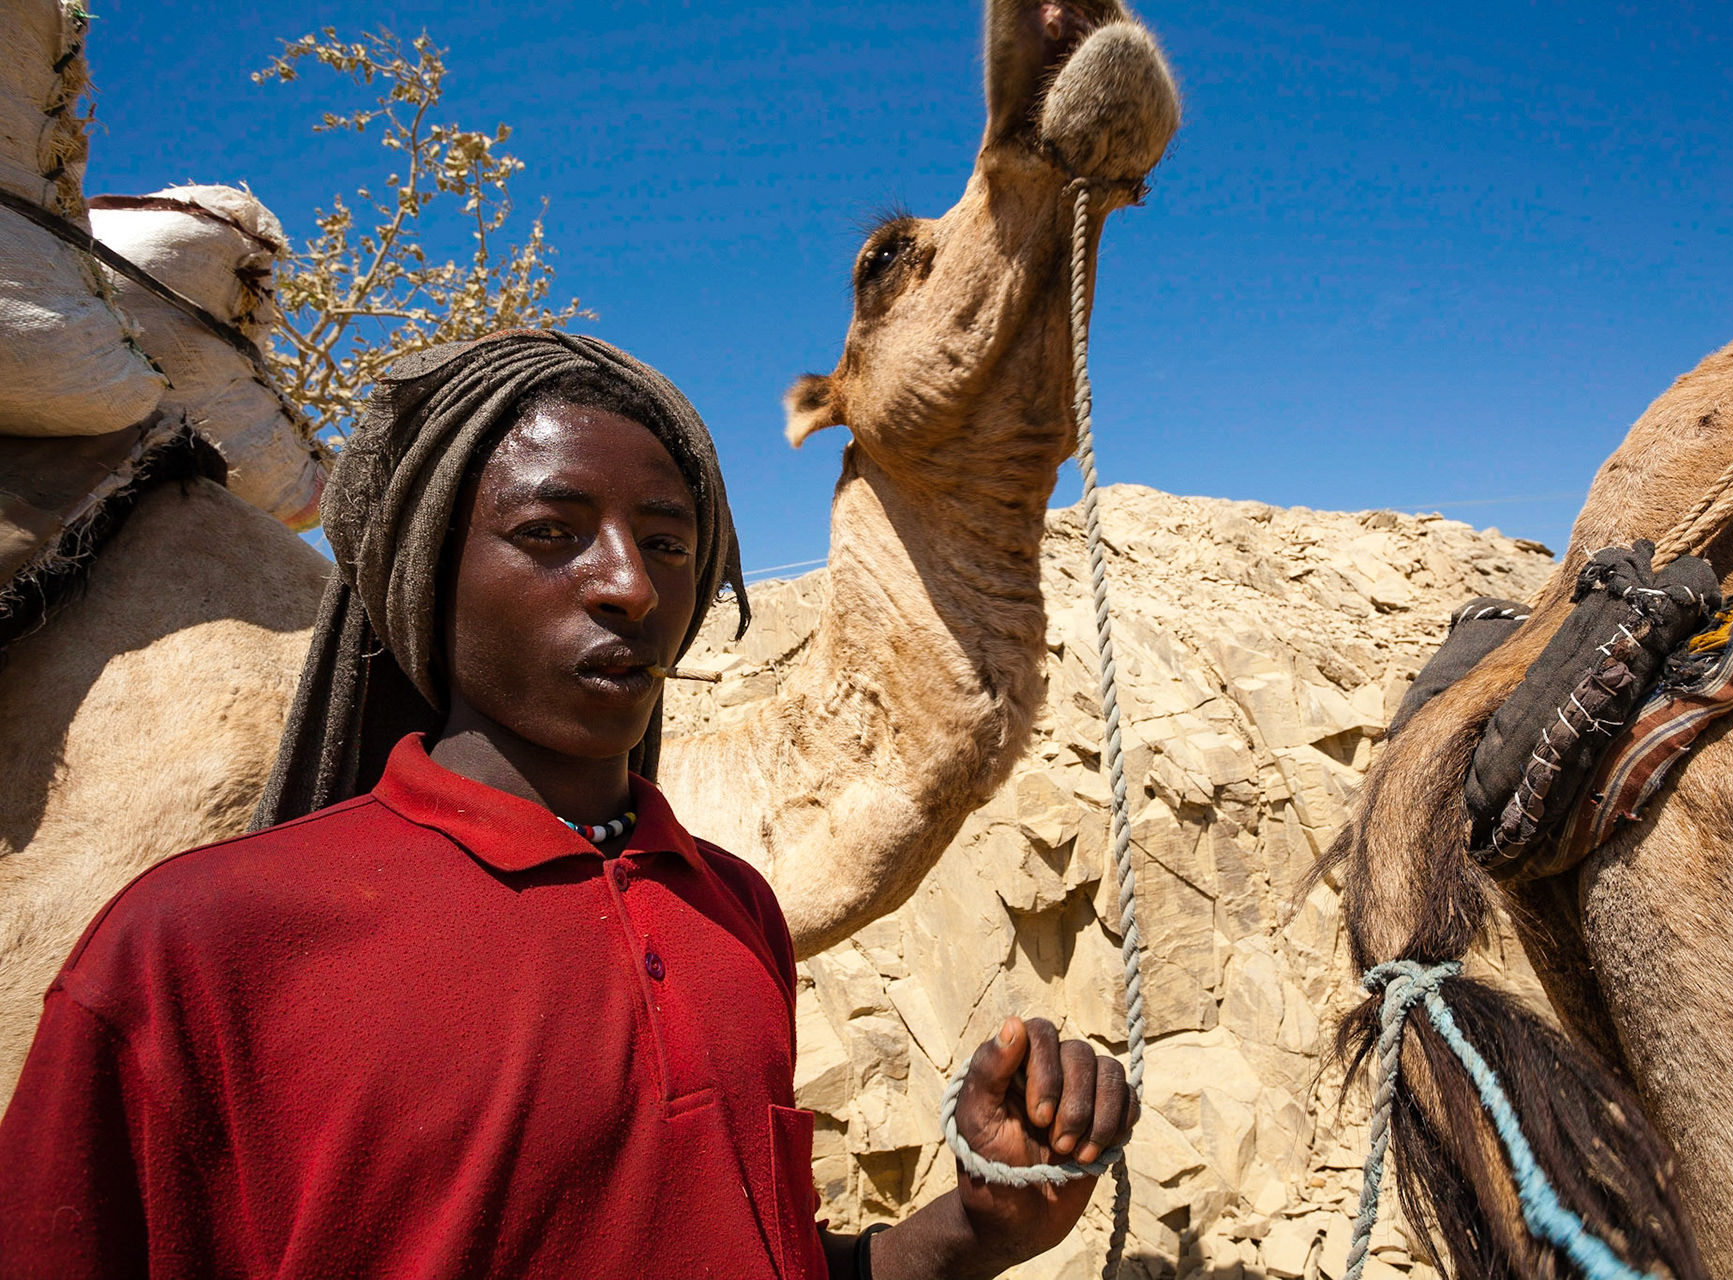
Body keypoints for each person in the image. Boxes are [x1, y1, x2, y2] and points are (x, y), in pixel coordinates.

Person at [0, 332, 1136, 1280]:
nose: (631, 584)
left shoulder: (733, 912)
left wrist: (974, 1225)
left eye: (669, 543)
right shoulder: (198, 945)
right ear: (429, 569)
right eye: (549, 534)